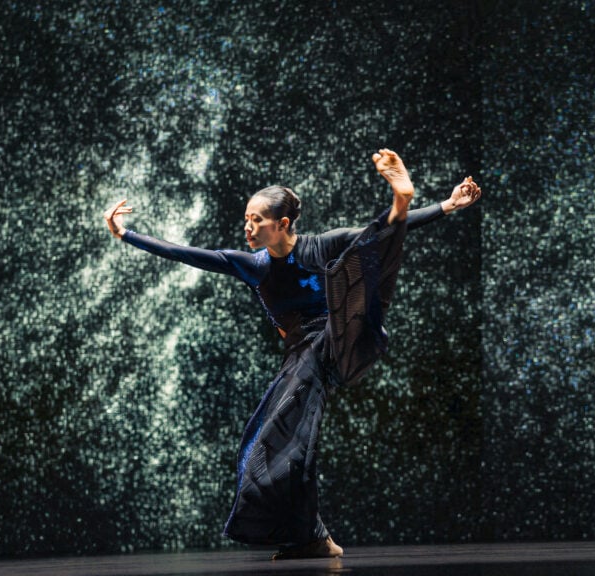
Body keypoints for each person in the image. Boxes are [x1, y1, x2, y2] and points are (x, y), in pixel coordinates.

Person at [103, 149, 481, 559]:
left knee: (369, 246)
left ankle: (399, 197)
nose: (248, 227)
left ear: (282, 224)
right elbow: (186, 253)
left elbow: (384, 234)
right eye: (246, 218)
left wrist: (441, 205)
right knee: (270, 446)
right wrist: (126, 235)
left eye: (257, 220)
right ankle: (309, 536)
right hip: (300, 358)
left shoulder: (322, 246)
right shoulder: (252, 264)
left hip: (338, 337)